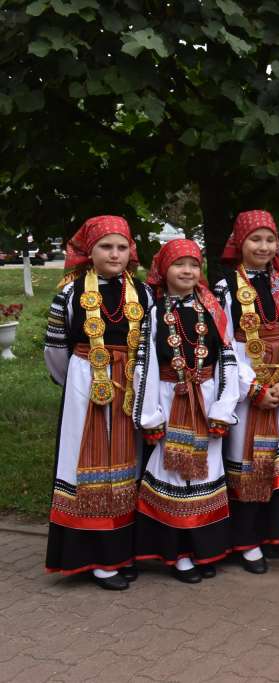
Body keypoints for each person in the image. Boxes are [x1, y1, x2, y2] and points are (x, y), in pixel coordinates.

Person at [44, 216, 152, 589]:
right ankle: (93, 558)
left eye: (122, 247)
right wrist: (79, 380)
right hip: (85, 385)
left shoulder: (143, 292)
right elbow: (55, 349)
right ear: (89, 251)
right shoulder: (70, 293)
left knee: (127, 465)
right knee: (87, 464)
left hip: (131, 387)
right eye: (106, 246)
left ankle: (121, 552)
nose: (115, 254)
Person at [133, 240, 239, 583]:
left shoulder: (214, 310)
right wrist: (150, 415)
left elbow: (228, 359)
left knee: (207, 472)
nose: (188, 271)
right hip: (170, 399)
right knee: (174, 472)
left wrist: (224, 407)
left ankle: (205, 551)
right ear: (164, 270)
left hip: (206, 401)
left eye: (194, 265)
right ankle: (178, 554)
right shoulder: (153, 314)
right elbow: (145, 365)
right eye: (179, 264)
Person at [214, 210, 279, 574]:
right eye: (255, 239)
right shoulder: (225, 288)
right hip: (245, 391)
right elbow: (223, 342)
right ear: (240, 243)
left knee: (273, 463)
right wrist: (251, 387)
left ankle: (268, 534)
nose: (264, 246)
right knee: (243, 462)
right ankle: (243, 540)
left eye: (270, 239)